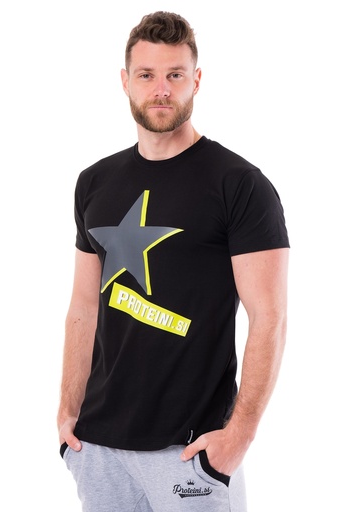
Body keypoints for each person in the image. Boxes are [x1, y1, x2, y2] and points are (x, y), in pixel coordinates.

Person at [57, 11, 290, 512]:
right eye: (146, 75)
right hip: (99, 447)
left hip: (190, 451)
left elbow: (269, 317)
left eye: (175, 75)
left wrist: (238, 437)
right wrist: (67, 413)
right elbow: (83, 307)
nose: (161, 89)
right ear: (125, 81)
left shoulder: (239, 185)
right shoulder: (94, 182)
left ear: (196, 80)